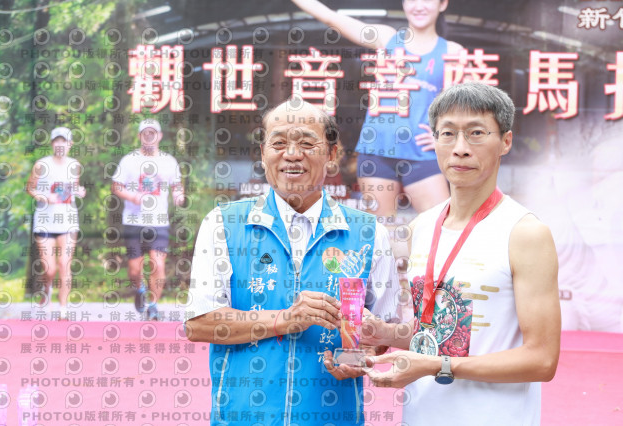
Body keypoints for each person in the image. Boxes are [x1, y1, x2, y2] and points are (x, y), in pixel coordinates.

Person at [184, 100, 402, 425]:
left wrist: (361, 357)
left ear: (331, 154)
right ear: (263, 153)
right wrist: (286, 319)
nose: (292, 154)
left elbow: (383, 331)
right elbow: (199, 323)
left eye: (306, 143)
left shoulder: (369, 233)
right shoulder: (223, 224)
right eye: (279, 143)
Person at [359, 82, 561, 425]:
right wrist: (387, 335)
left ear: (506, 141)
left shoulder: (525, 233)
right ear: (434, 141)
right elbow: (438, 332)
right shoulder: (421, 227)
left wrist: (439, 366)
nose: (461, 149)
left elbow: (542, 360)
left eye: (477, 133)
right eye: (448, 134)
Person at [291, 0, 462, 217]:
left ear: (442, 4)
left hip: (422, 153)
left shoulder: (452, 52)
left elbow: (466, 110)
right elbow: (329, 17)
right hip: (377, 152)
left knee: (439, 226)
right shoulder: (387, 38)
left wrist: (446, 137)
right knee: (381, 231)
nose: (419, 6)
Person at [111, 119, 184, 320]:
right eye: (146, 133)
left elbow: (177, 185)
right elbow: (116, 186)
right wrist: (133, 196)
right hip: (133, 221)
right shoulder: (129, 161)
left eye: (153, 133)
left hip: (159, 222)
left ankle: (153, 306)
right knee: (134, 270)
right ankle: (140, 290)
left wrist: (179, 196)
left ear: (159, 136)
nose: (149, 137)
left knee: (158, 265)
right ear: (140, 136)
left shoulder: (169, 161)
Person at [26, 127, 86, 320]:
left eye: (64, 141)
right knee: (50, 268)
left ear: (70, 144)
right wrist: (44, 197)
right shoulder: (41, 164)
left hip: (68, 221)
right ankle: (46, 288)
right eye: (57, 141)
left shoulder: (74, 165)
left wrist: (79, 191)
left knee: (64, 264)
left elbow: (73, 187)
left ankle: (63, 309)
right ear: (52, 144)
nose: (60, 145)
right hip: (45, 222)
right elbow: (30, 188)